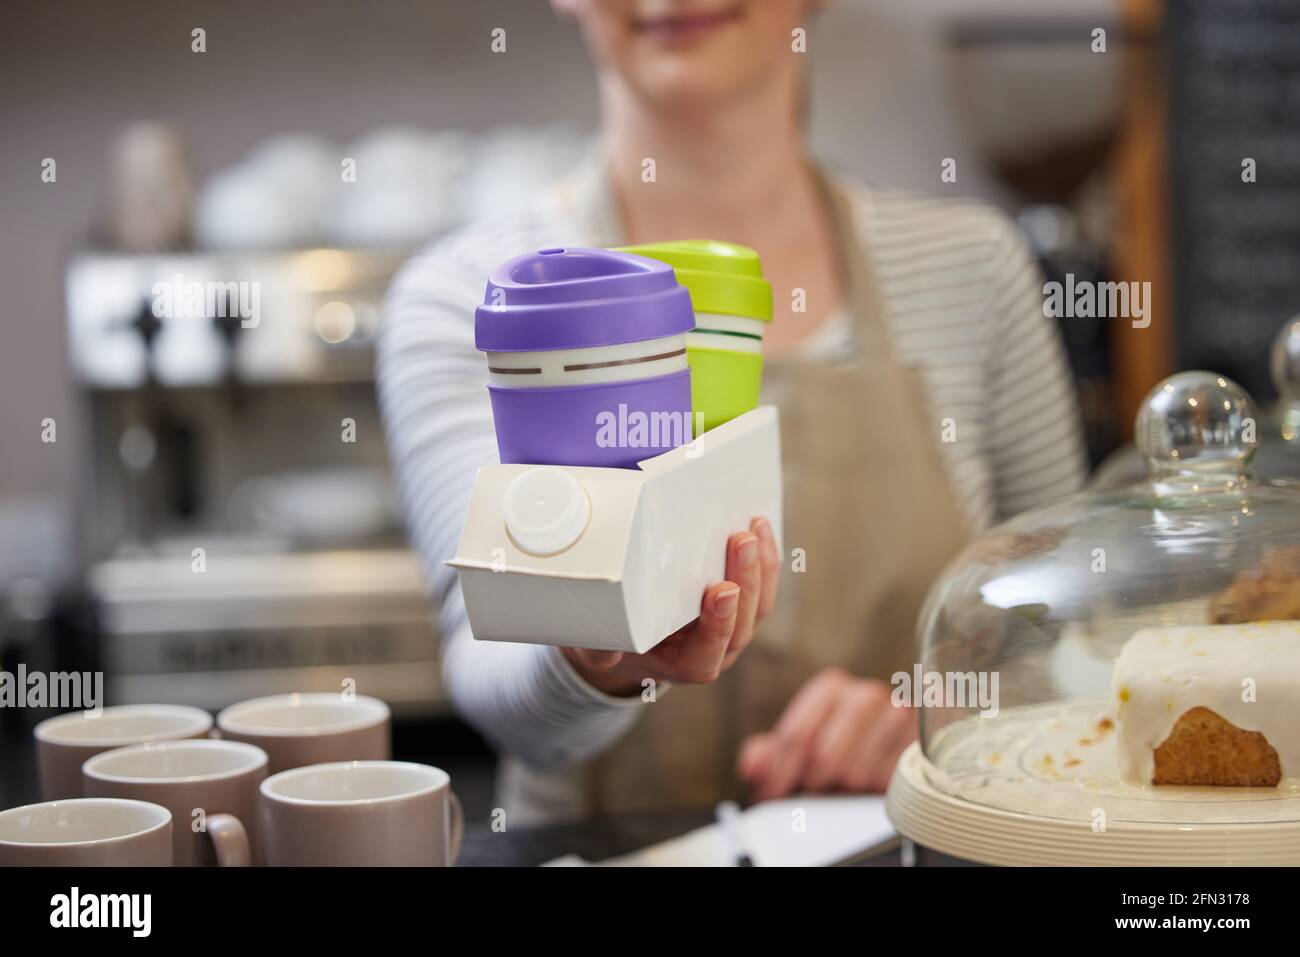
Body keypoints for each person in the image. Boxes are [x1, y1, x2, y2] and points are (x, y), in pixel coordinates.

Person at [378, 0, 1086, 824]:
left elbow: (1058, 626)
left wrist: (941, 716)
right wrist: (594, 652)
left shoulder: (973, 270)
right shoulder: (473, 296)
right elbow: (490, 671)